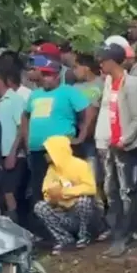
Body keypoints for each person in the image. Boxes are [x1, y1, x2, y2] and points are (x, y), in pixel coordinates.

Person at [94, 44, 137, 257]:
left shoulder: (132, 84)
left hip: (127, 146)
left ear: (112, 61)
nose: (100, 63)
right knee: (112, 191)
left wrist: (124, 140)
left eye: (103, 60)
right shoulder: (109, 82)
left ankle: (125, 236)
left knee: (127, 191)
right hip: (111, 145)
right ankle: (118, 233)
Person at [22, 55, 92, 208]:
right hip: (37, 150)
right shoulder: (35, 94)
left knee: (61, 188)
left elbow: (86, 112)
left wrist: (81, 136)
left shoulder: (69, 92)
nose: (46, 78)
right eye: (44, 74)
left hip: (59, 151)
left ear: (57, 75)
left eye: (49, 75)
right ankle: (42, 226)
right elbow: (25, 116)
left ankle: (66, 223)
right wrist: (27, 140)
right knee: (39, 189)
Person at [33, 136, 97, 255]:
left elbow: (91, 188)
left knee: (84, 201)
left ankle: (85, 235)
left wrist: (65, 192)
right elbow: (46, 192)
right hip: (63, 212)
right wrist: (53, 198)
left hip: (81, 213)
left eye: (48, 151)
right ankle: (65, 239)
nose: (45, 155)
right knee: (40, 207)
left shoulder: (80, 165)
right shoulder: (52, 169)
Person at [0, 69, 26, 222]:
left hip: (12, 154)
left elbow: (20, 127)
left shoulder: (15, 100)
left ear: (0, 80)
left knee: (10, 192)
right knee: (2, 192)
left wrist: (13, 153)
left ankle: (17, 225)